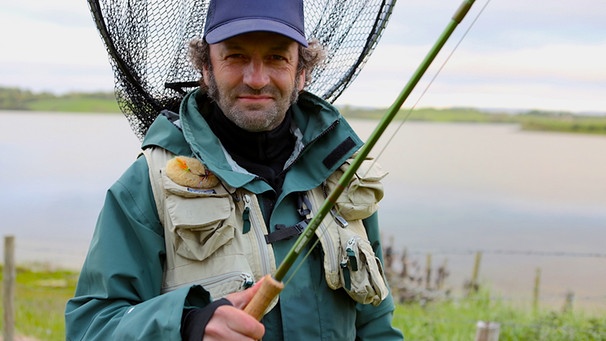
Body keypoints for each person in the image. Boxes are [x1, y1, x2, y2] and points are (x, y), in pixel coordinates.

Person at [65, 0, 404, 339]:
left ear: (302, 72)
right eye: (235, 56)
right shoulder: (147, 183)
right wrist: (187, 326)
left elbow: (376, 326)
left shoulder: (341, 173)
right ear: (206, 69)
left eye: (276, 57)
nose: (256, 80)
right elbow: (90, 326)